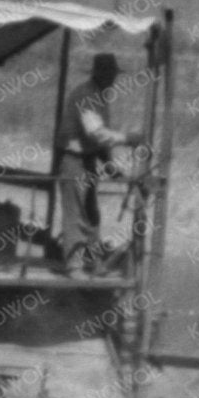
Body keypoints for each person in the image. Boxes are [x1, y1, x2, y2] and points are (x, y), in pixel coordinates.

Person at [58, 53, 140, 269]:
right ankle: (74, 265)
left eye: (114, 74)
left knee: (92, 214)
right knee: (76, 214)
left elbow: (99, 143)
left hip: (88, 161)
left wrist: (110, 166)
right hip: (74, 161)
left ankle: (92, 260)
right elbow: (96, 133)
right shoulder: (86, 95)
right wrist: (128, 139)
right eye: (110, 74)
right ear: (100, 73)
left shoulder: (100, 96)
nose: (113, 79)